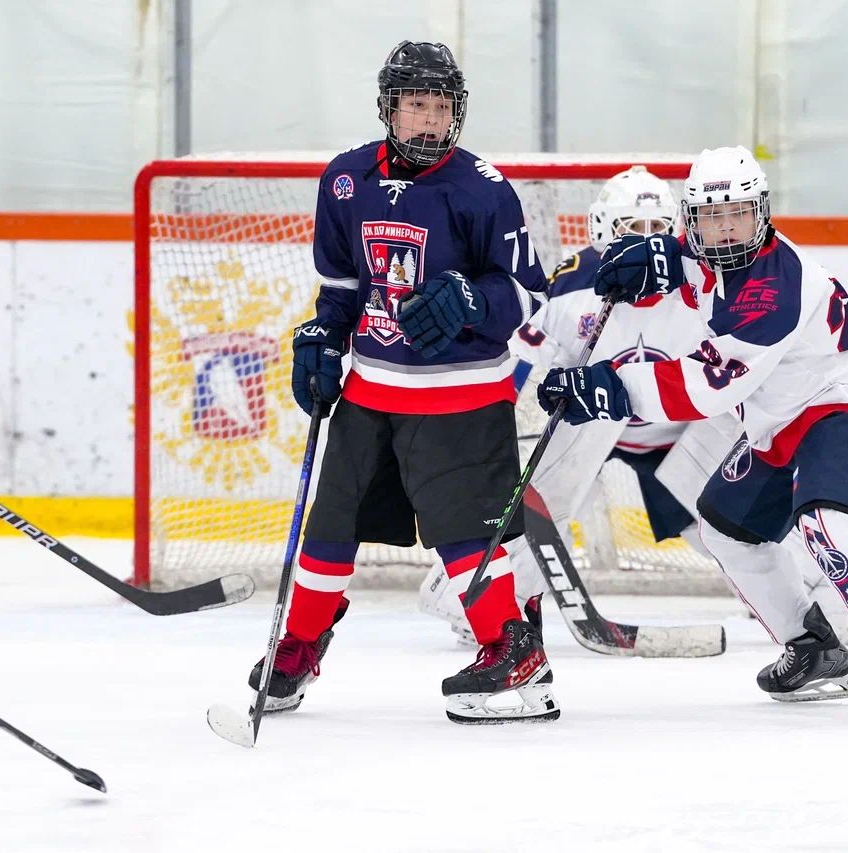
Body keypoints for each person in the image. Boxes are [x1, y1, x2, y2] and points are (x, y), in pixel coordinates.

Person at [537, 146, 848, 723]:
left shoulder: (773, 290)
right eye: (710, 217)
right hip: (781, 411)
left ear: (761, 212)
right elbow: (692, 261)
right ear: (693, 220)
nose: (725, 228)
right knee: (725, 524)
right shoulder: (705, 250)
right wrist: (658, 256)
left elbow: (706, 386)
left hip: (846, 395)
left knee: (824, 521)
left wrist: (608, 385)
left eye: (736, 213)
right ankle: (814, 650)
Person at [419, 166, 848, 648]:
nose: (647, 240)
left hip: (679, 429)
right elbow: (525, 369)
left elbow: (733, 371)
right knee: (541, 499)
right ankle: (478, 599)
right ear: (602, 231)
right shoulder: (570, 291)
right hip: (590, 423)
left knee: (732, 520)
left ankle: (824, 599)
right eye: (633, 229)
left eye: (659, 228)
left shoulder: (704, 284)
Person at [248, 41, 556, 725]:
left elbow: (533, 298)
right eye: (416, 104)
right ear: (390, 107)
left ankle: (515, 651)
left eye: (441, 107)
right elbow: (341, 292)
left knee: (466, 537)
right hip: (372, 389)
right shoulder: (345, 181)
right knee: (328, 527)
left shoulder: (484, 189)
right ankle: (300, 644)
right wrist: (324, 337)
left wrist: (477, 301)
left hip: (464, 395)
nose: (429, 121)